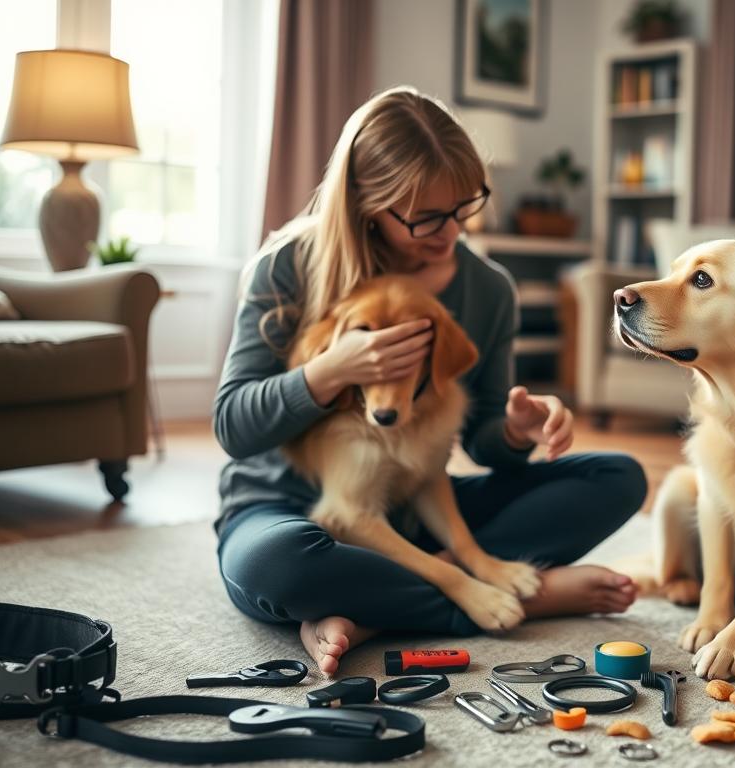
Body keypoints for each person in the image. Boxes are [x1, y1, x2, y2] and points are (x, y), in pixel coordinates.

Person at [213, 86, 647, 675]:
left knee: (617, 477)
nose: (452, 231)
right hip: (282, 509)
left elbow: (483, 440)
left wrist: (516, 430)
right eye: (425, 217)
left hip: (411, 501)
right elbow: (234, 424)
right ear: (368, 201)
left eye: (465, 205)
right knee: (279, 567)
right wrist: (332, 369)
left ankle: (373, 611)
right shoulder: (290, 264)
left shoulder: (488, 289)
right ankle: (528, 594)